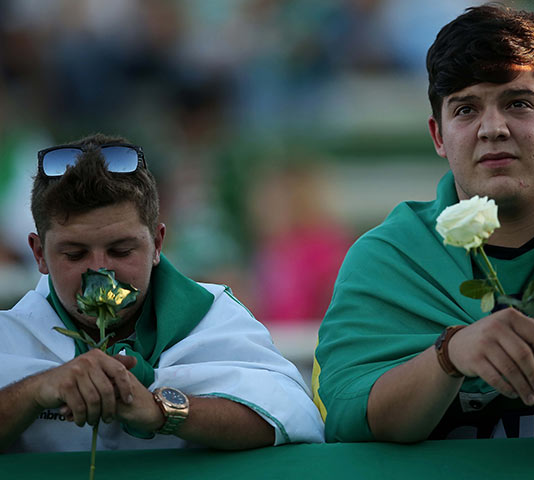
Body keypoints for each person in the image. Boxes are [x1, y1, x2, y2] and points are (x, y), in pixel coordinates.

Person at [313, 3, 534, 442]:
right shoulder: (389, 259)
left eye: (518, 103)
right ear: (438, 136)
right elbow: (351, 419)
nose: (492, 128)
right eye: (465, 110)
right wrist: (449, 357)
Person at [0, 133, 324, 453]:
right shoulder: (11, 337)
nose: (100, 271)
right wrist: (35, 390)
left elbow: (295, 416)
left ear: (157, 243)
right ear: (39, 253)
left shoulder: (216, 317)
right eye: (74, 254)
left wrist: (162, 411)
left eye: (121, 250)